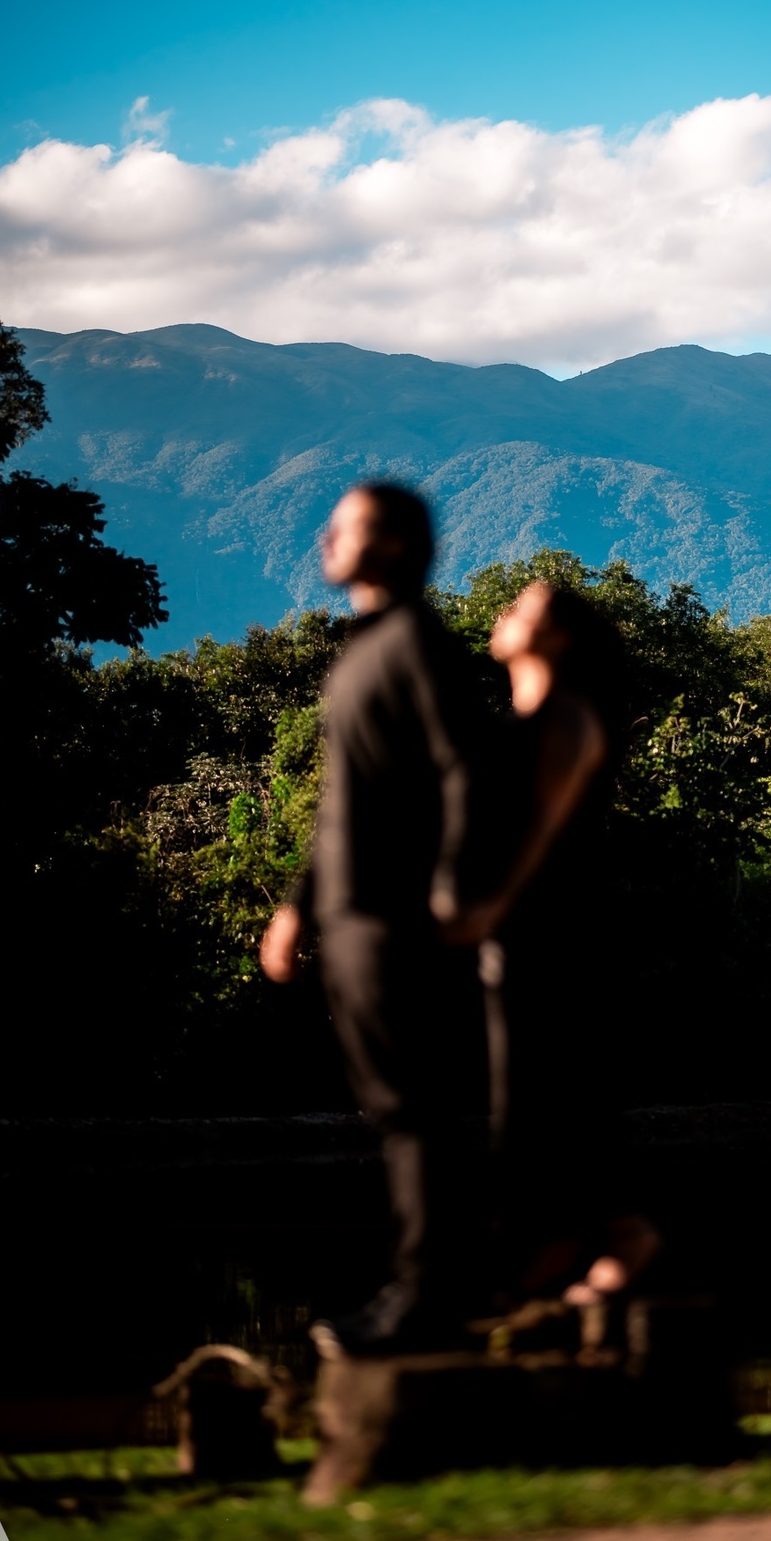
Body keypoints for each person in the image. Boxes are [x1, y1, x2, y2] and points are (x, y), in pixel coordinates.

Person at [260, 482, 490, 1353]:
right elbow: (340, 807)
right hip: (351, 915)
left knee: (415, 1108)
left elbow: (465, 770)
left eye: (346, 526)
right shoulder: (363, 649)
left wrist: (449, 891)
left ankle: (433, 1295)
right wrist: (295, 909)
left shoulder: (417, 645)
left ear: (392, 545)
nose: (325, 536)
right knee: (396, 1110)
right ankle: (425, 1289)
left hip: (397, 918)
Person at [443, 580, 660, 1307]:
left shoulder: (569, 718)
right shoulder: (521, 719)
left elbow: (541, 836)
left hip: (559, 925)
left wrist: (489, 909)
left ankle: (625, 1233)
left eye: (524, 606)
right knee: (527, 1096)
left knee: (565, 1084)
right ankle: (560, 1239)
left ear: (559, 637)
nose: (505, 613)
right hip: (519, 929)